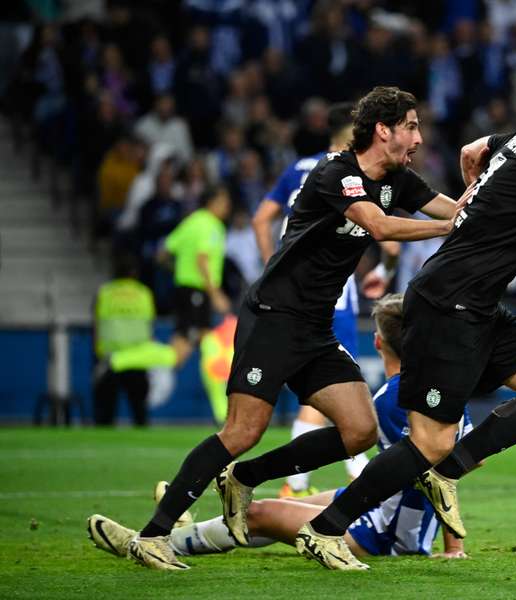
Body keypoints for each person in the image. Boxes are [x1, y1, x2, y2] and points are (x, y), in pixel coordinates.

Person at [298, 64, 516, 571]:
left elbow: (472, 151)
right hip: (448, 304)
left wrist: (474, 197)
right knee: (427, 441)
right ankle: (326, 527)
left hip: (476, 303)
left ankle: (446, 473)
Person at [121, 86, 461, 570]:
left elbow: (452, 209)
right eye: (411, 125)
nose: (419, 137)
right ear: (383, 130)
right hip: (273, 317)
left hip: (315, 327)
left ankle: (244, 477)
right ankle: (154, 535)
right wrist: (451, 228)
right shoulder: (336, 173)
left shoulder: (398, 178)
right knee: (242, 430)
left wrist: (487, 203)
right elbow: (381, 227)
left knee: (359, 429)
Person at [88, 294, 470, 563]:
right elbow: (453, 467)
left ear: (377, 342)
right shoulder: (440, 388)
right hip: (392, 515)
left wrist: (446, 545)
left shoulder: (391, 399)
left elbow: (438, 469)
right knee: (266, 511)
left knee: (259, 515)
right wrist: (452, 545)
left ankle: (157, 541)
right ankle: (177, 530)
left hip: (385, 533)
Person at [251, 102, 370, 498]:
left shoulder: (300, 168)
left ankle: (312, 479)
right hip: (331, 290)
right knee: (336, 378)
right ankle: (341, 474)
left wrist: (274, 262)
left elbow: (260, 218)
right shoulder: (351, 171)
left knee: (321, 384)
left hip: (292, 286)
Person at [103, 185, 232, 376]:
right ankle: (120, 360)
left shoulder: (191, 222)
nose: (227, 206)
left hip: (186, 290)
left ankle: (221, 400)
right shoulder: (211, 225)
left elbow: (162, 254)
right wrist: (216, 294)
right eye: (224, 201)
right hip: (197, 291)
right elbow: (202, 260)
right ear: (212, 202)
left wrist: (180, 270)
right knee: (179, 354)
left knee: (207, 344)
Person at [92, 254, 156, 426]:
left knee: (105, 414)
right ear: (134, 273)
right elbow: (149, 327)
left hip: (110, 358)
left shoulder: (104, 293)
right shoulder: (144, 293)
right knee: (140, 412)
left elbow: (97, 325)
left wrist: (97, 354)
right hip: (137, 358)